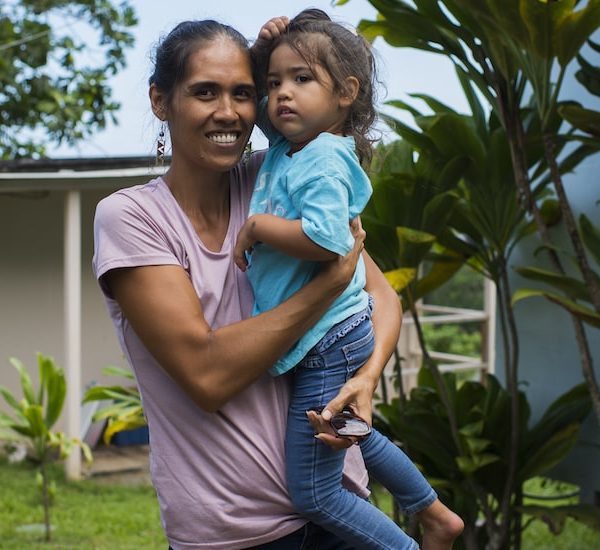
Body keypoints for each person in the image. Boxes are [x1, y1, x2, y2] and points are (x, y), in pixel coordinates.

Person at [91, 16, 450, 550]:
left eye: (243, 93)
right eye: (204, 92)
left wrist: (369, 377)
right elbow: (207, 377)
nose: (228, 111)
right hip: (235, 532)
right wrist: (325, 288)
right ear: (161, 101)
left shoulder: (277, 178)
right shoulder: (132, 218)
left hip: (339, 507)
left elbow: (380, 297)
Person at [233, 10, 464, 550]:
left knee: (315, 494)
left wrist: (259, 226)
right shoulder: (297, 149)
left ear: (346, 94)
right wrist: (263, 49)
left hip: (328, 340)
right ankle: (434, 513)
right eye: (274, 83)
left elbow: (329, 241)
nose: (282, 94)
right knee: (346, 433)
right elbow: (269, 122)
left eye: (302, 79)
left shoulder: (323, 161)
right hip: (329, 335)